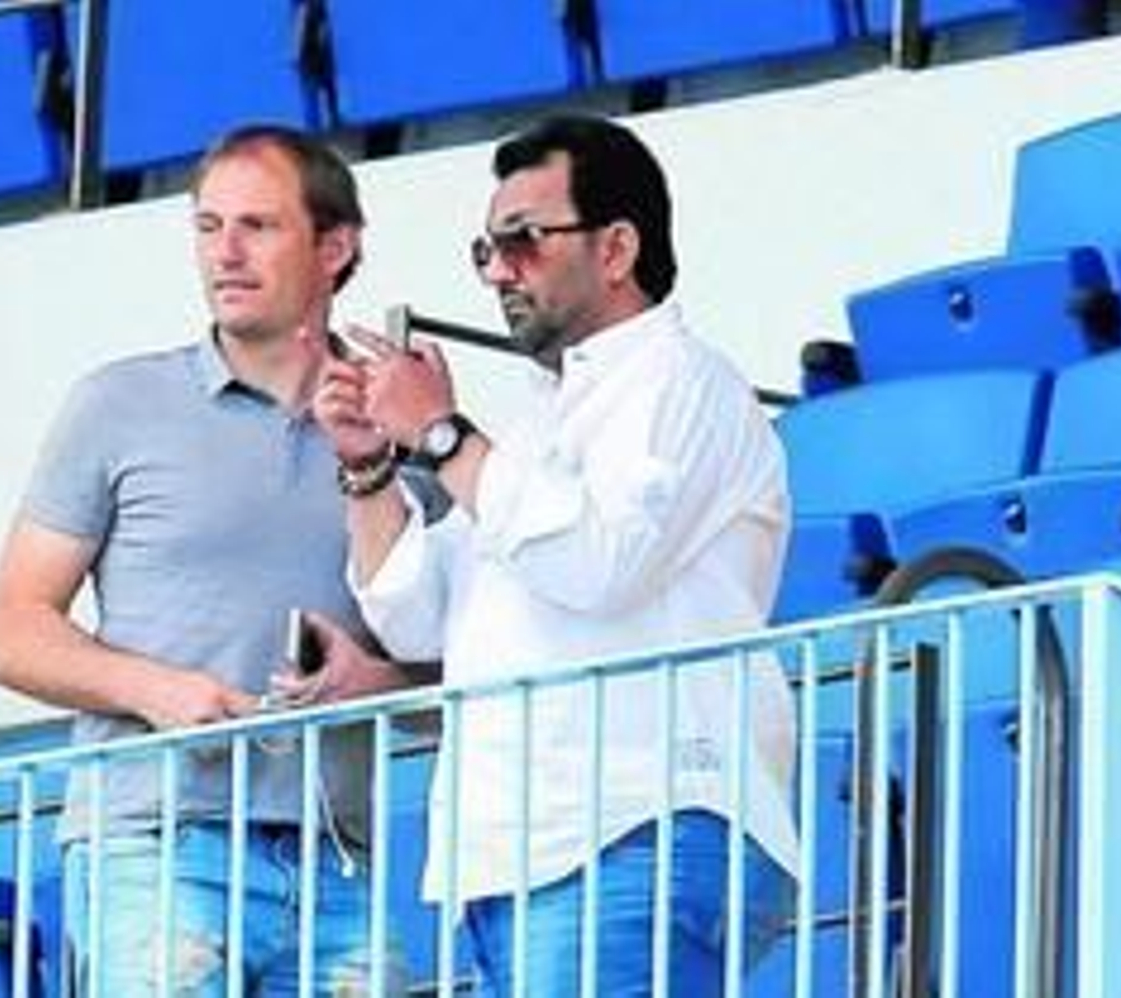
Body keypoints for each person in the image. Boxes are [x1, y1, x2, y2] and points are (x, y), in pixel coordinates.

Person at [313, 114, 798, 995]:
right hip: (519, 851)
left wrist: (442, 433)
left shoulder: (684, 380)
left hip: (635, 822)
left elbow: (601, 564)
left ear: (616, 249)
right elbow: (416, 618)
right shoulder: (536, 419)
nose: (500, 271)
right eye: (487, 250)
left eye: (524, 241)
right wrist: (371, 468)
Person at [0, 124, 409, 997]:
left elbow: (455, 664)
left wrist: (375, 681)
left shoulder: (400, 427)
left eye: (258, 226)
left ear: (335, 247)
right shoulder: (119, 404)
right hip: (155, 842)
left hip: (339, 858)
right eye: (208, 227)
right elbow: (8, 630)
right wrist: (159, 691)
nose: (226, 253)